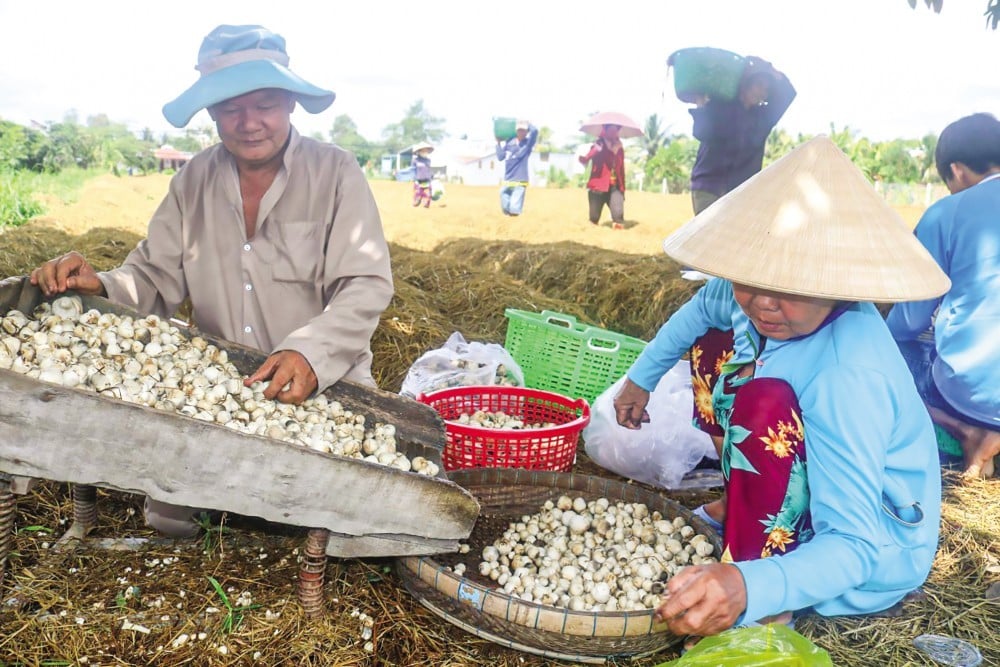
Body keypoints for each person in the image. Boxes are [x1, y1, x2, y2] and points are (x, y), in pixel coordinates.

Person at [28, 24, 394, 537]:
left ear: (290, 102)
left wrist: (310, 353)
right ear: (211, 112)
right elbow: (153, 277)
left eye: (264, 103)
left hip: (321, 391)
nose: (248, 123)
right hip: (222, 391)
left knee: (339, 520)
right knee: (171, 520)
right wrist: (103, 287)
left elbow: (365, 284)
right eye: (229, 108)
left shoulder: (335, 173)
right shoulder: (192, 181)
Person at [612, 137, 947, 641]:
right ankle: (743, 505)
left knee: (762, 403)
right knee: (718, 342)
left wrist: (748, 585)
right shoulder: (748, 291)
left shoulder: (847, 375)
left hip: (874, 546)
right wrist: (641, 379)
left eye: (790, 287)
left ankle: (765, 578)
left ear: (837, 281)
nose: (764, 303)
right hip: (814, 476)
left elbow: (854, 547)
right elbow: (700, 312)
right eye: (752, 281)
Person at [886, 112, 1000, 478]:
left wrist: (877, 330)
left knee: (887, 355)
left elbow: (911, 319)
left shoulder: (946, 213)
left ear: (957, 170)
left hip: (973, 398)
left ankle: (968, 431)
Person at [688, 55, 796, 216]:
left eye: (766, 90)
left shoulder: (763, 118)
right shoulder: (721, 105)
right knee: (710, 239)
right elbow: (701, 131)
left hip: (741, 194)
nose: (762, 92)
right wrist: (701, 104)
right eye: (759, 85)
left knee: (733, 241)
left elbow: (788, 94)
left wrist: (770, 68)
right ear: (746, 83)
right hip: (708, 187)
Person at [579, 124, 626, 229]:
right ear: (605, 130)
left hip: (615, 186)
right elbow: (588, 157)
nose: (613, 133)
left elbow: (621, 169)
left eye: (615, 130)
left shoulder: (620, 148)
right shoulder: (599, 144)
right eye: (610, 130)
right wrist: (588, 156)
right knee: (594, 219)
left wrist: (622, 188)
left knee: (618, 218)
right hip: (598, 186)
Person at [496, 119, 538, 216]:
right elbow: (500, 157)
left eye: (523, 130)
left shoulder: (527, 144)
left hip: (520, 180)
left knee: (514, 207)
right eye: (519, 130)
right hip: (508, 179)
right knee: (505, 206)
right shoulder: (509, 143)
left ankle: (517, 225)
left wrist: (528, 123)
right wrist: (498, 143)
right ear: (516, 131)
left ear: (527, 132)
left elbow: (535, 131)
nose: (521, 132)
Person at [411, 141, 434, 208]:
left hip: (427, 180)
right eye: (423, 150)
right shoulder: (415, 160)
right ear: (419, 151)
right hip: (418, 180)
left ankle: (426, 203)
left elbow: (429, 169)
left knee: (428, 194)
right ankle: (417, 201)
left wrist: (432, 175)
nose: (425, 152)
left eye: (426, 150)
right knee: (417, 195)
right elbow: (411, 170)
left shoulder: (428, 160)